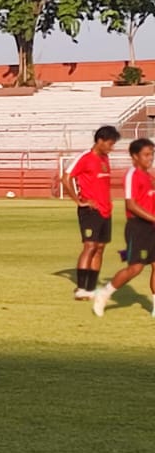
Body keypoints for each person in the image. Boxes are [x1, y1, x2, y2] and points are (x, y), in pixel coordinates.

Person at [93, 138, 155, 317]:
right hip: (139, 227)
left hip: (152, 226)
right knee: (135, 268)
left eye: (151, 154)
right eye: (146, 154)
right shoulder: (132, 175)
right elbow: (131, 205)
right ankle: (104, 294)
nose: (150, 158)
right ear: (135, 156)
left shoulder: (149, 176)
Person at [64, 126, 121, 300]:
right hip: (90, 211)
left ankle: (90, 288)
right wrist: (79, 201)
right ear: (100, 141)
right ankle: (81, 288)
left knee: (100, 248)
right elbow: (66, 178)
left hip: (106, 210)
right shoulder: (85, 158)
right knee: (90, 246)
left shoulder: (105, 158)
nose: (111, 148)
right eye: (110, 144)